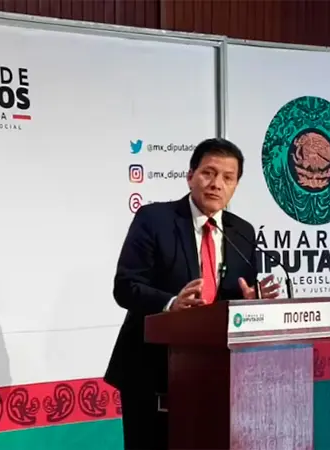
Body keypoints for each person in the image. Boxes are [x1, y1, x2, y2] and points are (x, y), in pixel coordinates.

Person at [104, 138, 281, 450]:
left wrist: (251, 302)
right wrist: (171, 303)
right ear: (190, 176)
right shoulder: (154, 220)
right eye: (208, 173)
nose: (216, 184)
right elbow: (126, 286)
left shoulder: (242, 232)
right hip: (152, 372)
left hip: (217, 375)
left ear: (236, 186)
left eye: (228, 177)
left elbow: (231, 302)